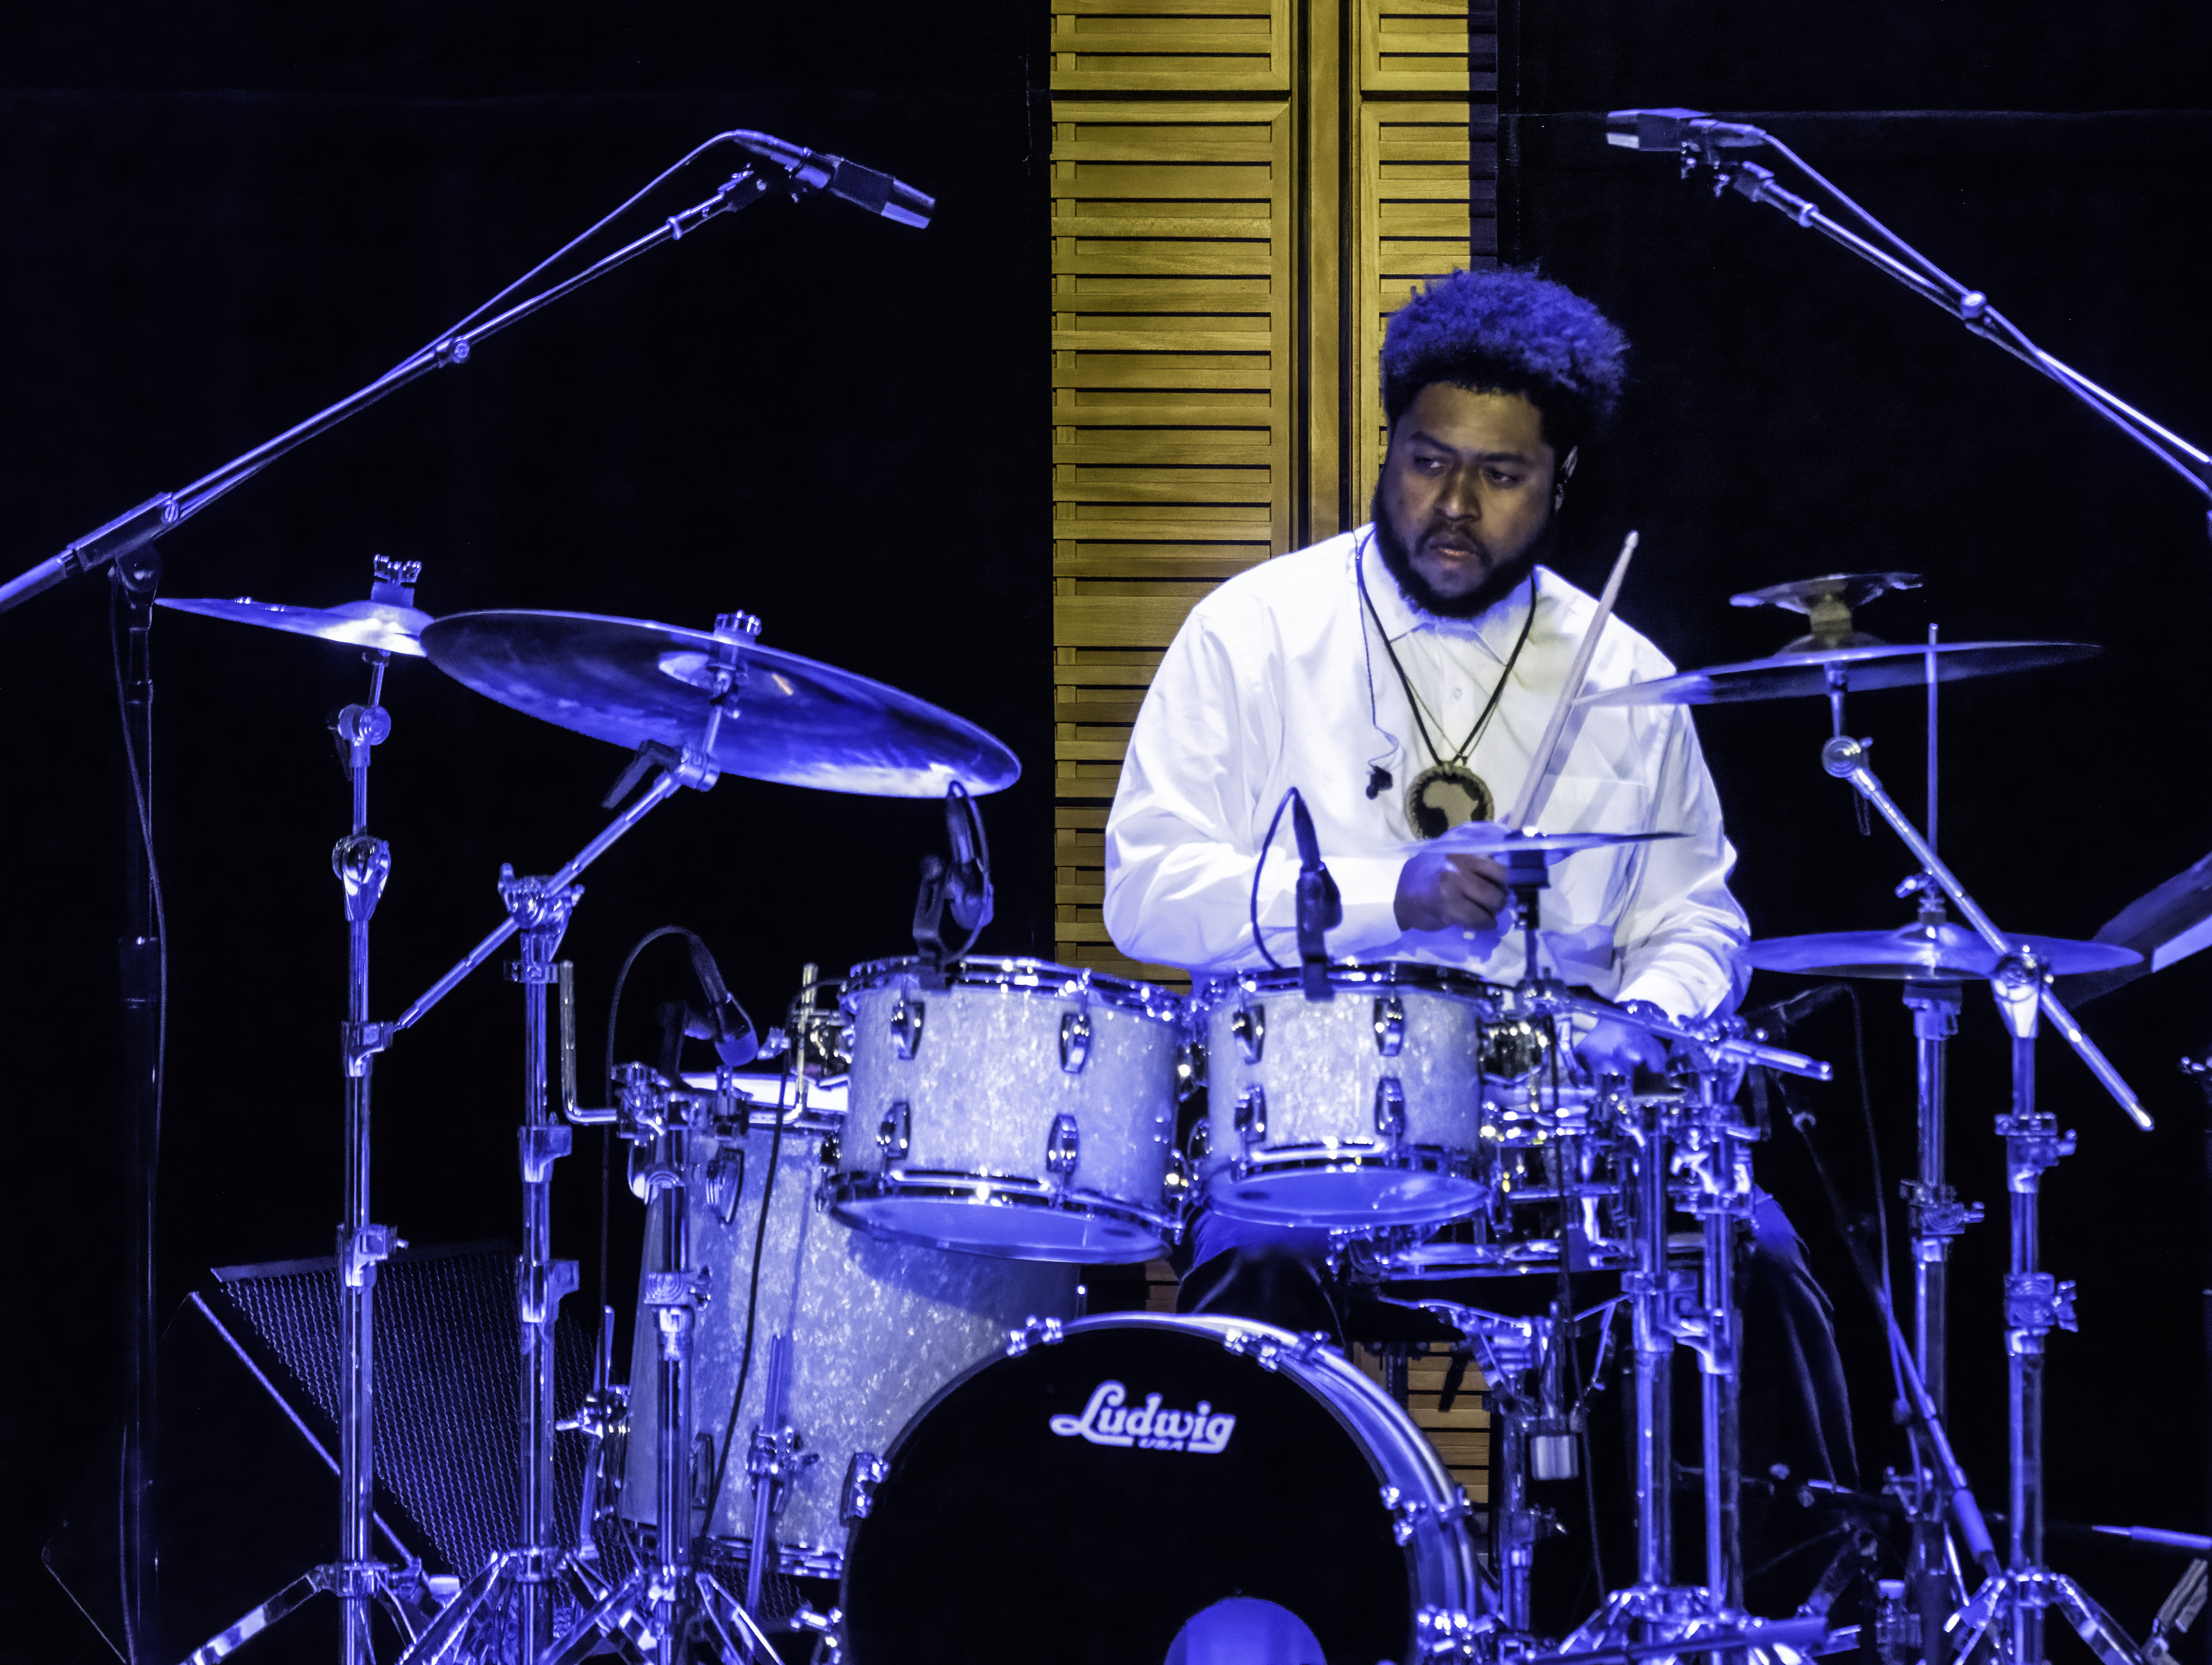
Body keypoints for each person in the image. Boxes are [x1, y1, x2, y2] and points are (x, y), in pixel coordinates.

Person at [1101, 267, 1856, 1611]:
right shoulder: (1256, 632)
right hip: (1319, 1134)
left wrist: (1654, 1026)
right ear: (1386, 452)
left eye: (1498, 475)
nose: (1453, 506)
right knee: (1247, 1267)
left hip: (1552, 1140)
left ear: (1556, 482)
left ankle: (1772, 1615)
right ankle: (1253, 1608)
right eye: (1427, 461)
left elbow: (1695, 913)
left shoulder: (1618, 669)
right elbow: (1147, 891)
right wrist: (1395, 895)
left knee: (1758, 1251)